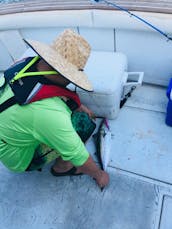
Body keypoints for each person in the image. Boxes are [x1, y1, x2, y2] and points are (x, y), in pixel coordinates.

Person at [0, 29, 109, 189]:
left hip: (8, 135)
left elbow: (55, 92)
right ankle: (61, 168)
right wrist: (100, 175)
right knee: (84, 124)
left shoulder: (25, 64)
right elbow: (79, 156)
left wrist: (79, 105)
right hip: (18, 159)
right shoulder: (49, 113)